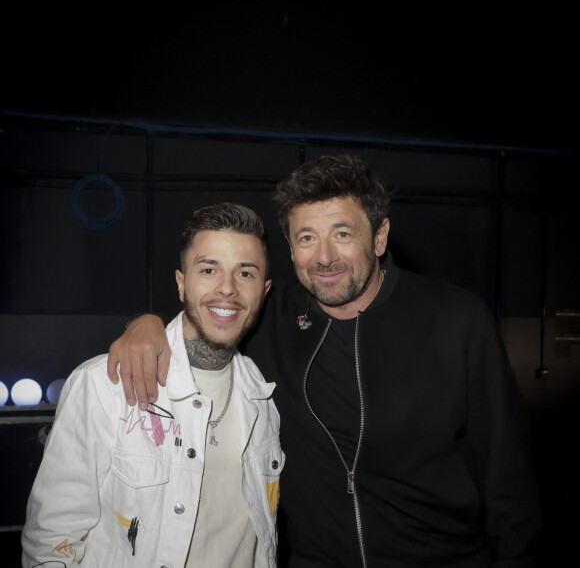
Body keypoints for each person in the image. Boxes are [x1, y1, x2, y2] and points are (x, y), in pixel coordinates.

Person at [107, 155, 542, 567]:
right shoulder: (269, 316)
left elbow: (509, 479)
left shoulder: (456, 320)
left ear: (380, 236)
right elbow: (211, 306)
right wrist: (144, 323)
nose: (324, 257)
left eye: (343, 234)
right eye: (307, 238)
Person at [22, 203, 283, 568]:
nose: (227, 288)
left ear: (264, 290)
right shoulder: (104, 385)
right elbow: (51, 541)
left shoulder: (263, 398)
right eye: (209, 269)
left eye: (245, 273)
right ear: (181, 284)